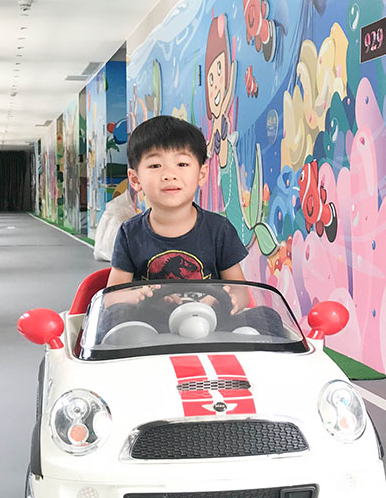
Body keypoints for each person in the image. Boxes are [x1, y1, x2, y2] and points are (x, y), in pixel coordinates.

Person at [101, 115, 282, 337]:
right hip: (150, 329)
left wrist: (227, 299)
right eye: (155, 165)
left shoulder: (219, 229)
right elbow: (112, 297)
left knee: (268, 317)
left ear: (201, 174)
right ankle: (130, 344)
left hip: (211, 325)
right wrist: (138, 295)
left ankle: (243, 346)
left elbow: (240, 290)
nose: (169, 175)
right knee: (111, 317)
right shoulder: (130, 233)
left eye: (182, 164)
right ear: (135, 179)